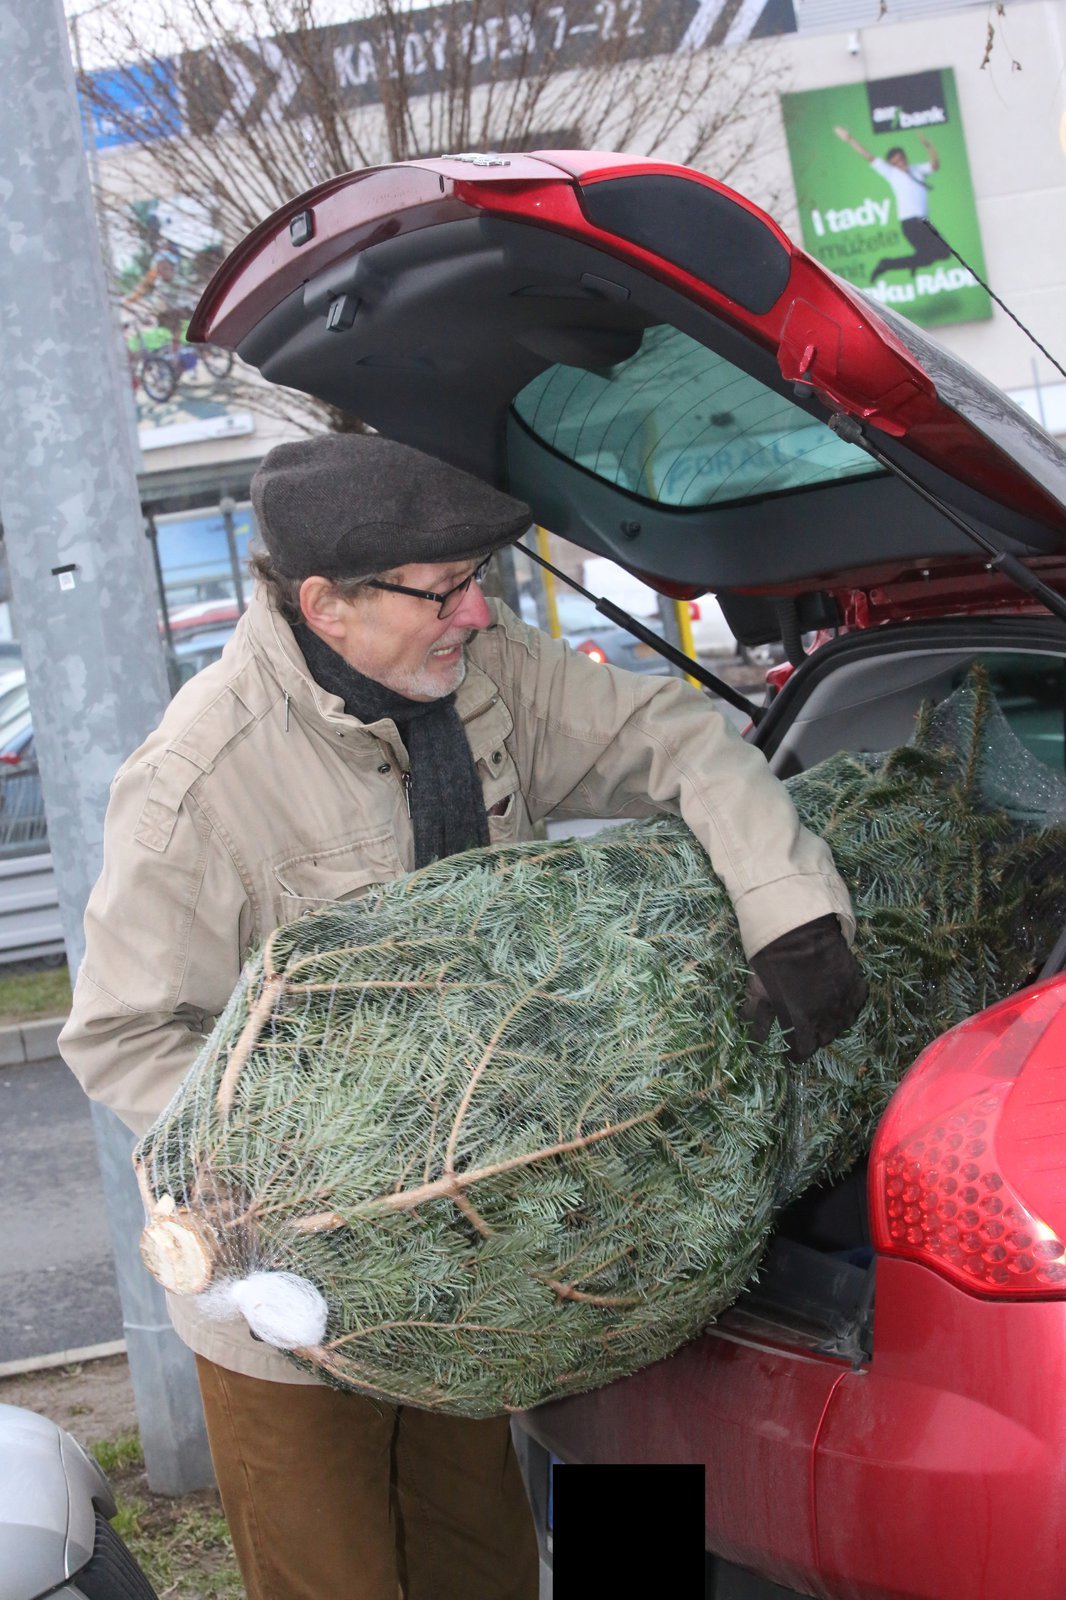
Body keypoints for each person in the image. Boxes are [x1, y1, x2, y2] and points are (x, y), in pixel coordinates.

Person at [59, 432, 867, 1600]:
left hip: (464, 1287)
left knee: (481, 1570)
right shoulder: (199, 782)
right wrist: (297, 1196)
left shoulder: (487, 679)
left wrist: (788, 910)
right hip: (289, 1308)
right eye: (445, 591)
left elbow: (678, 739)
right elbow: (124, 1032)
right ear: (328, 604)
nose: (478, 614)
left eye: (476, 581)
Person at [834, 125, 952, 282]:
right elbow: (869, 156)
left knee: (942, 254)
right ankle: (889, 264)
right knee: (931, 255)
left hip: (925, 222)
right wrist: (849, 139)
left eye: (901, 159)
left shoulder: (916, 169)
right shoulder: (892, 173)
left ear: (905, 157)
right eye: (895, 162)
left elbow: (934, 166)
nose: (900, 163)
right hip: (911, 223)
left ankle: (894, 264)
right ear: (892, 164)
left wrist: (929, 146)